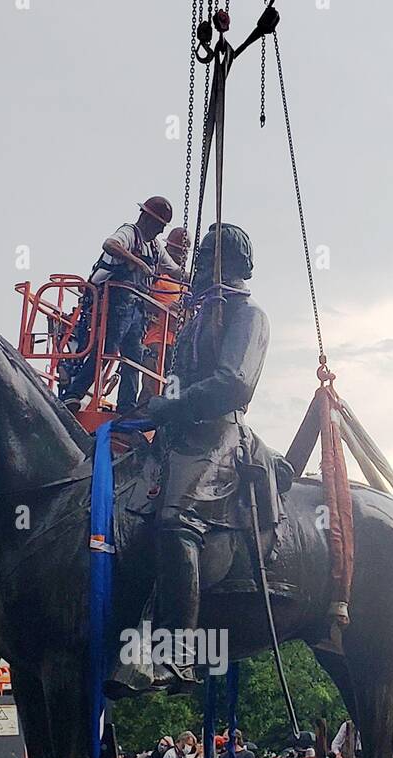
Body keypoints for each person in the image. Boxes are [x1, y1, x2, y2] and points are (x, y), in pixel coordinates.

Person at [140, 222, 292, 688]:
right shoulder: (199, 316)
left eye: (205, 259)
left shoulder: (248, 317)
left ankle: (177, 653)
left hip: (218, 435)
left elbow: (233, 383)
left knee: (174, 520)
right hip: (178, 433)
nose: (198, 267)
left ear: (225, 263)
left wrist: (173, 404)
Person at [64, 196, 179, 414]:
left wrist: (201, 280)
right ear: (146, 219)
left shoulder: (154, 247)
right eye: (159, 226)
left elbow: (174, 270)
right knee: (107, 348)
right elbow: (109, 244)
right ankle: (74, 393)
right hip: (115, 300)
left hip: (137, 307)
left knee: (133, 356)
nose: (160, 232)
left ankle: (127, 408)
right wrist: (137, 262)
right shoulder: (130, 233)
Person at [138, 226, 191, 405]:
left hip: (176, 343)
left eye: (181, 253)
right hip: (156, 339)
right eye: (175, 251)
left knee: (173, 388)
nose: (178, 256)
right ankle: (143, 414)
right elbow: (140, 301)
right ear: (167, 248)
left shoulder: (183, 281)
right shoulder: (155, 274)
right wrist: (165, 307)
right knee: (151, 385)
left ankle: (170, 417)